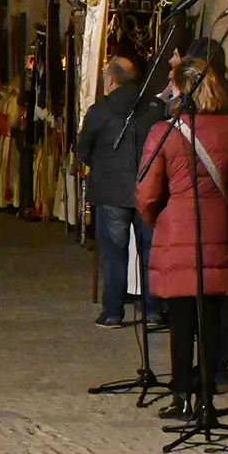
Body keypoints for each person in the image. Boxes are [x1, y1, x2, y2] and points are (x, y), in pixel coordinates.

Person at [136, 56, 228, 420]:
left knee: (181, 321)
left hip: (175, 230)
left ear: (181, 88)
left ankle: (181, 397)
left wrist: (158, 218)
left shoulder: (164, 132)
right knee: (214, 320)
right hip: (218, 231)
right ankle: (207, 396)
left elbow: (146, 191)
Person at [76, 58, 164, 328]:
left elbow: (83, 150)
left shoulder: (99, 111)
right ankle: (153, 311)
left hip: (112, 191)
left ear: (111, 79)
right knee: (150, 250)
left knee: (114, 253)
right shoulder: (154, 108)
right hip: (149, 188)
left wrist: (104, 168)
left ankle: (113, 312)